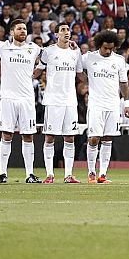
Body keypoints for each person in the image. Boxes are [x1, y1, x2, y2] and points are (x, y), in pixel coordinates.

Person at [78, 31, 129, 183]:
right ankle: (91, 173)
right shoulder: (89, 57)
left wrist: (126, 103)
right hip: (96, 104)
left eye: (111, 49)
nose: (108, 51)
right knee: (94, 138)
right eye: (106, 48)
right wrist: (87, 81)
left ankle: (103, 174)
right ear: (99, 45)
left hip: (113, 104)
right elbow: (77, 69)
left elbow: (123, 83)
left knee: (108, 139)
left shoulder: (119, 60)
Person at [0, 20, 43, 184]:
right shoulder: (3, 47)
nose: (23, 31)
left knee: (28, 135)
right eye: (19, 29)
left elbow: (50, 54)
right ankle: (2, 173)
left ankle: (29, 174)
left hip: (27, 98)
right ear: (11, 32)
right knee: (6, 135)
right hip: (8, 98)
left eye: (24, 29)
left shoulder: (34, 49)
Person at [40, 24, 84, 183]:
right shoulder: (48, 51)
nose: (67, 32)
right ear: (56, 34)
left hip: (70, 101)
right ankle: (50, 174)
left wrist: (91, 85)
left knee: (70, 138)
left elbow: (80, 75)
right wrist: (40, 84)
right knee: (50, 137)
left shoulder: (75, 51)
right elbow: (38, 71)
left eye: (68, 30)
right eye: (63, 30)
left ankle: (68, 175)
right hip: (53, 101)